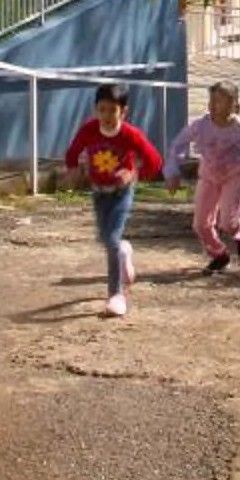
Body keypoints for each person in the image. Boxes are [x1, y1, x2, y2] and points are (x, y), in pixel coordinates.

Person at [59, 83, 163, 317]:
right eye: (102, 110)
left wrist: (134, 173)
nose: (106, 116)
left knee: (111, 238)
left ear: (123, 112)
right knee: (106, 239)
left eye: (112, 111)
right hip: (98, 191)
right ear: (96, 109)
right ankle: (124, 252)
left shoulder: (130, 134)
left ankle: (116, 295)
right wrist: (73, 169)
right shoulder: (89, 129)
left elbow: (154, 161)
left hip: (121, 192)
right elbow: (73, 151)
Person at [175, 84, 240, 274]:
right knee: (200, 224)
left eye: (219, 101)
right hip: (208, 177)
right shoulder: (201, 125)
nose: (213, 105)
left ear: (235, 107)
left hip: (234, 176)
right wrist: (171, 168)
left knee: (228, 223)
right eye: (211, 100)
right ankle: (219, 254)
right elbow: (180, 142)